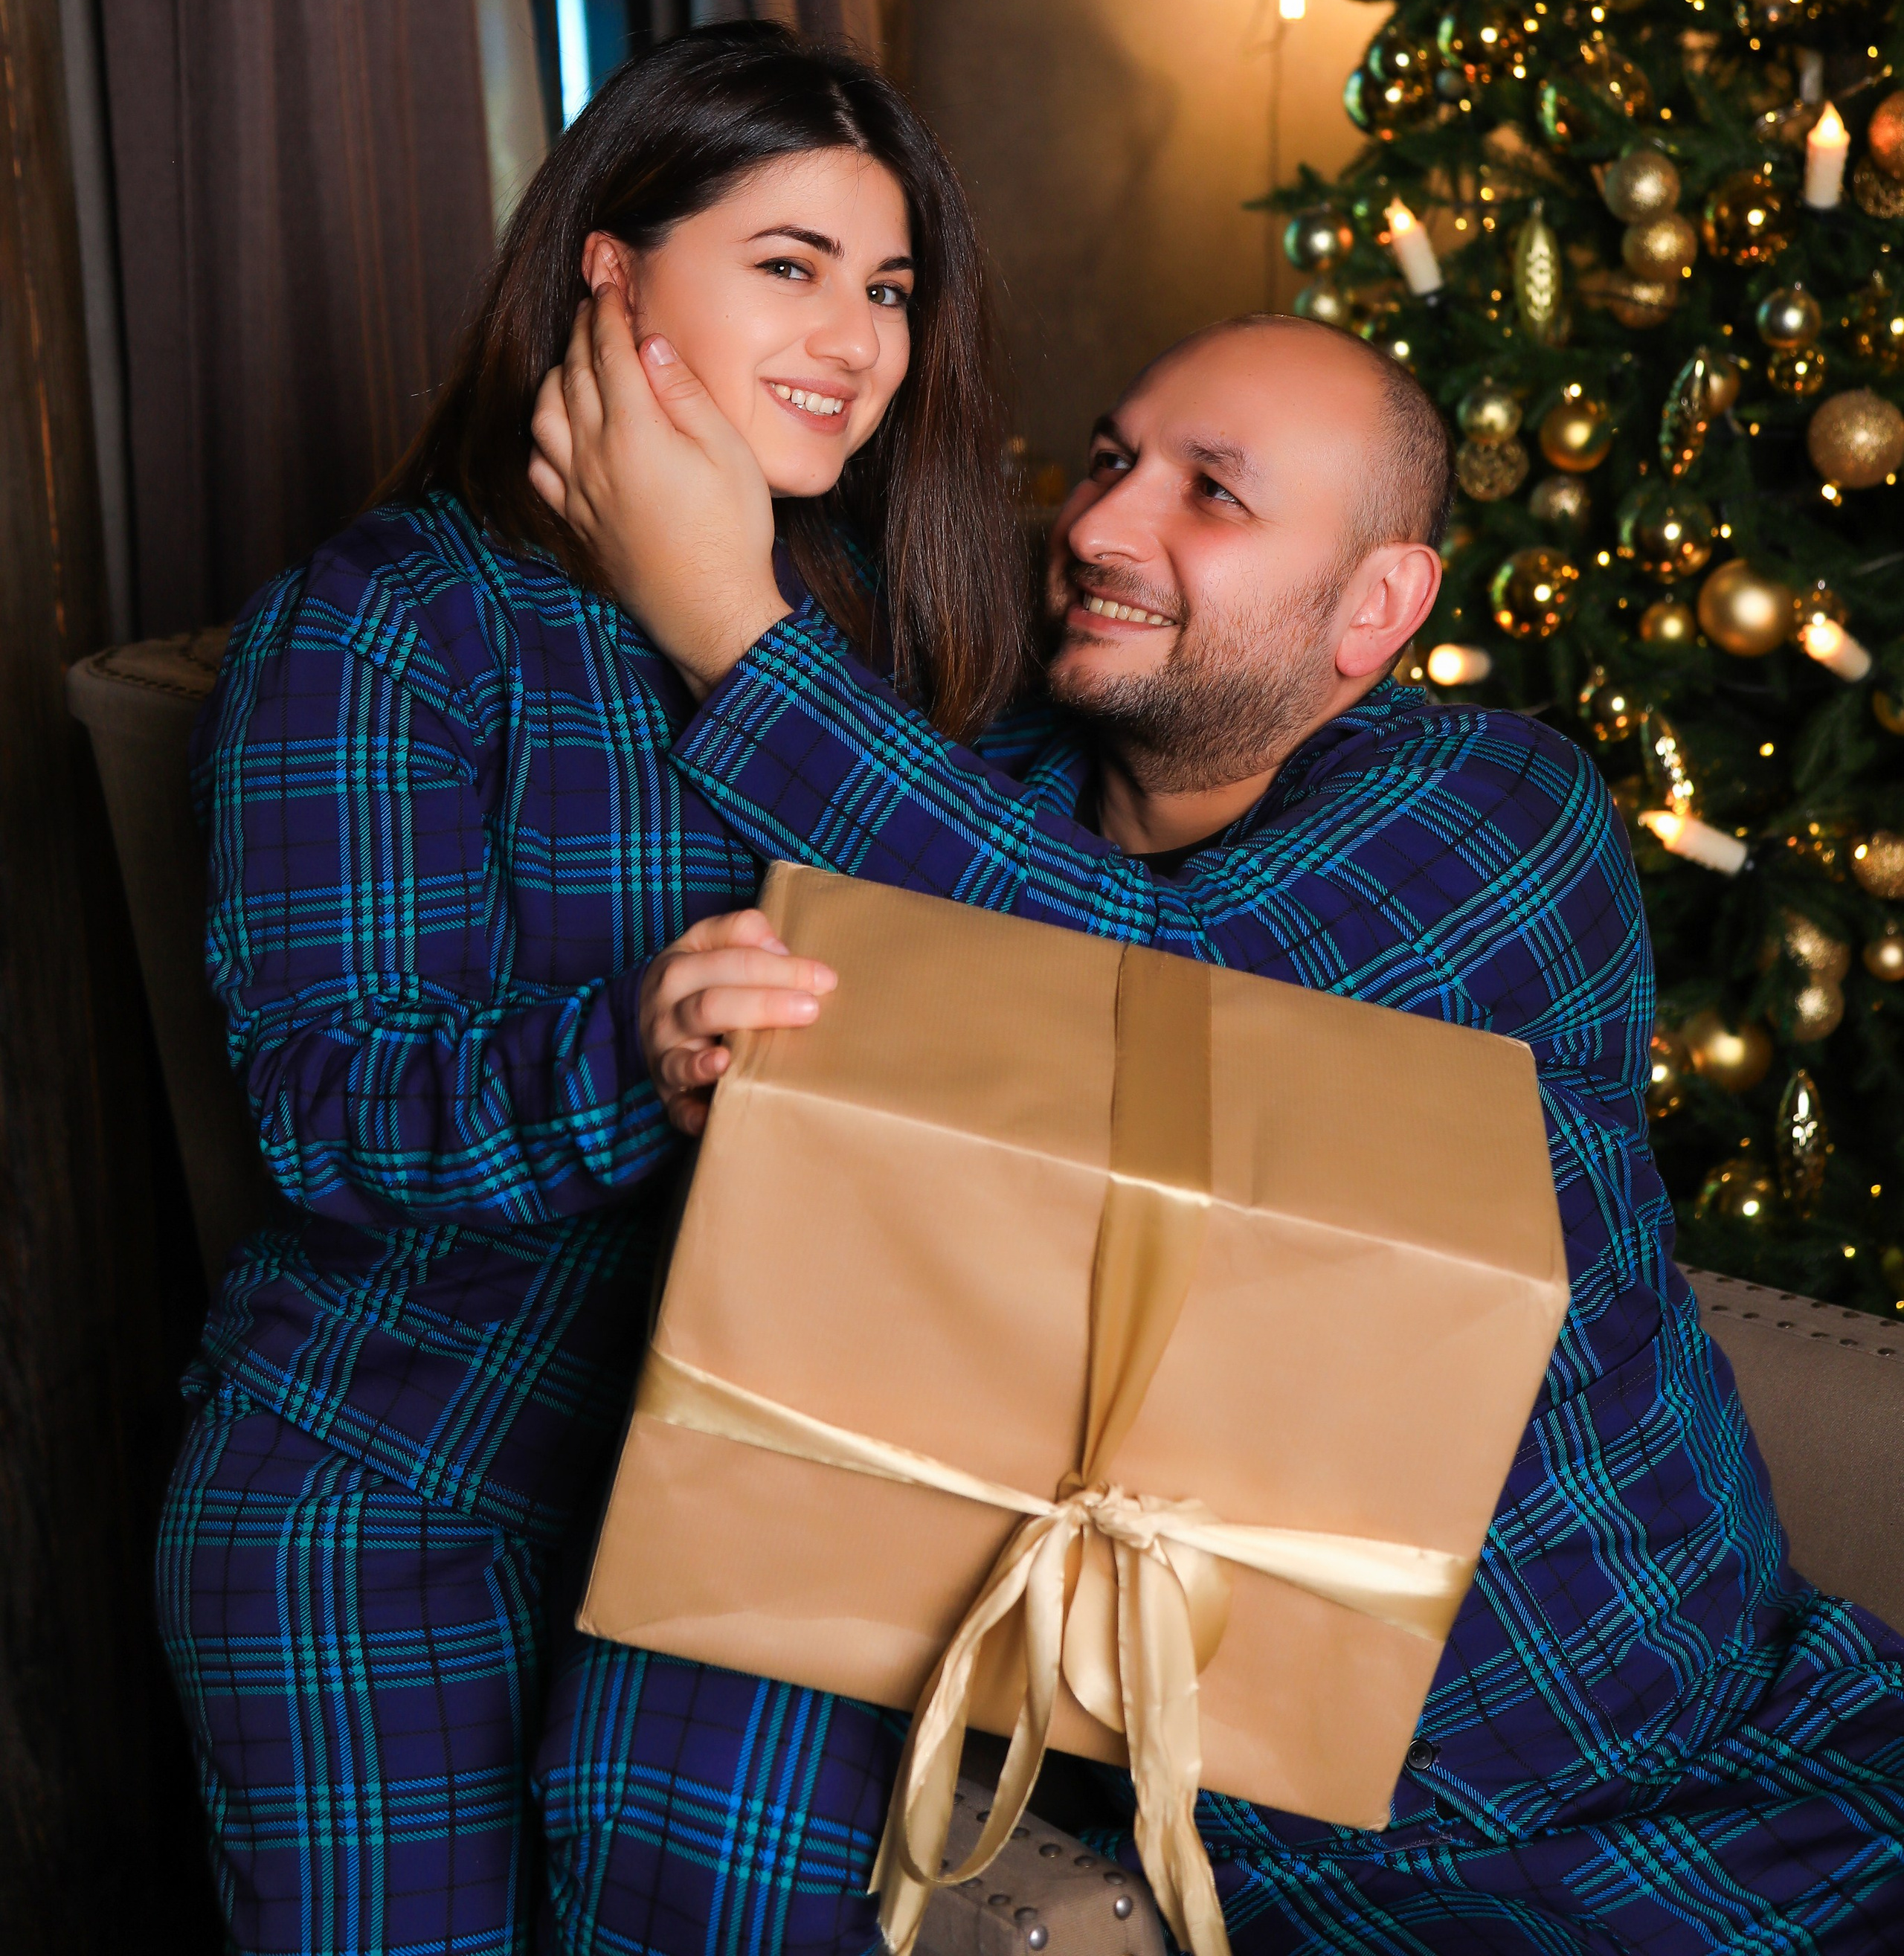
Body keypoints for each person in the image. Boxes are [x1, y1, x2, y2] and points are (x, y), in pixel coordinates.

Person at [528, 306, 1904, 1956]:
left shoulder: (1493, 811)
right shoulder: (975, 808)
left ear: (1374, 608)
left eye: (1211, 494)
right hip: (1259, 1811)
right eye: (1109, 462)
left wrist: (726, 625)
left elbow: (1177, 999)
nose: (1101, 524)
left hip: (1667, 1753)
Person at [159, 23, 1027, 1956]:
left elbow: (1037, 982)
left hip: (761, 1515)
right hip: (400, 1499)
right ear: (609, 267)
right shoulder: (393, 619)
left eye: (887, 287)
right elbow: (325, 1103)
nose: (859, 339)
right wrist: (630, 1051)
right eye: (788, 265)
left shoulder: (872, 626)